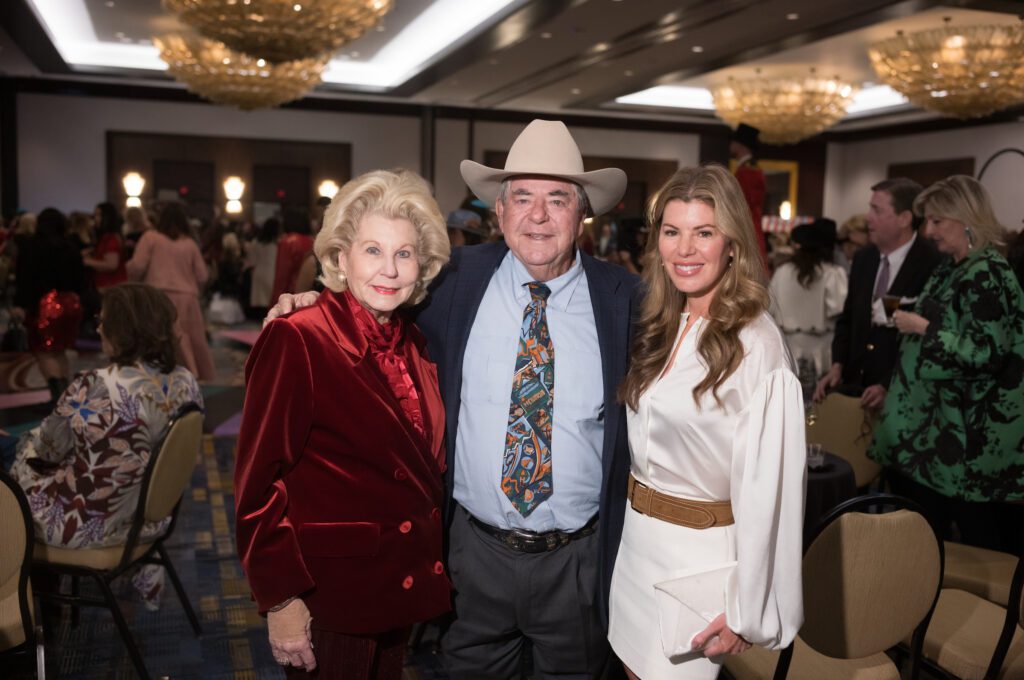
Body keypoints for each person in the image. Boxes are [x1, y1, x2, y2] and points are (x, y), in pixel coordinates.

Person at [270, 119, 638, 677]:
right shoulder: (450, 280)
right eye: (522, 198)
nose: (537, 215)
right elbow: (375, 293)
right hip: (471, 557)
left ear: (583, 213)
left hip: (580, 562)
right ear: (499, 211)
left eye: (557, 199)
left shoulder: (629, 302)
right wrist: (316, 301)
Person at [235, 169, 452, 678]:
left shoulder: (412, 342)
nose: (390, 270)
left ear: (422, 265)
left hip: (397, 583)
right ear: (339, 257)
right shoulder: (301, 337)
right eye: (373, 250)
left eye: (404, 254)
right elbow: (255, 484)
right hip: (327, 596)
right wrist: (281, 597)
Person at [609, 165, 804, 680]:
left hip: (699, 568)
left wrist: (748, 608)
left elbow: (773, 496)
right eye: (672, 232)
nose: (685, 249)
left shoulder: (756, 345)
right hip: (636, 552)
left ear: (733, 244)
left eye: (704, 232)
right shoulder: (665, 321)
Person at [10, 283, 203, 609]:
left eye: (104, 320)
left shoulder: (96, 386)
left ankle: (34, 611)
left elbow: (46, 452)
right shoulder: (185, 382)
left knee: (10, 478)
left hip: (96, 525)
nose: (98, 327)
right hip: (147, 518)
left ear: (124, 329)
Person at [869, 175, 1024, 550]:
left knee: (981, 541)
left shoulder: (987, 271)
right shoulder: (953, 265)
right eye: (927, 221)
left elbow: (988, 351)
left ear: (967, 219)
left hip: (971, 436)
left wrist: (921, 326)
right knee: (933, 534)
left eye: (938, 221)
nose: (929, 230)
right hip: (938, 430)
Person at [813, 178, 942, 410]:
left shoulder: (932, 263)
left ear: (904, 218)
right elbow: (848, 318)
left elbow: (928, 339)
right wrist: (837, 365)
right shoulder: (865, 258)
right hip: (854, 390)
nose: (868, 218)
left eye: (877, 210)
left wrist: (887, 384)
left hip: (903, 399)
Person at [126, 203, 215, 381]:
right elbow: (203, 275)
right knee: (188, 341)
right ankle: (190, 376)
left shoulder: (150, 237)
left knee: (155, 340)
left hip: (156, 297)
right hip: (187, 300)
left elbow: (137, 266)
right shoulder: (190, 244)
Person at [12, 208, 85, 405]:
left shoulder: (31, 246)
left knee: (44, 351)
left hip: (45, 305)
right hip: (70, 304)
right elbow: (81, 279)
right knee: (60, 351)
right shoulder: (71, 246)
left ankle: (57, 395)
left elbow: (25, 280)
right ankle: (66, 394)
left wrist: (20, 305)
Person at [769, 218, 848, 388]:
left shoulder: (782, 272)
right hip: (821, 350)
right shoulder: (832, 273)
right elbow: (841, 312)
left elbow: (769, 308)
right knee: (818, 408)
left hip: (788, 347)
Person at [729, 123, 768, 270]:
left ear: (740, 144)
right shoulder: (746, 168)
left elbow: (747, 205)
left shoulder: (748, 171)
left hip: (747, 229)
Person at [269, 207, 315, 304]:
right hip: (309, 292)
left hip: (291, 294)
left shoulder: (288, 241)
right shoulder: (313, 241)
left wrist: (274, 303)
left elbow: (282, 276)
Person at [245, 217, 279, 316]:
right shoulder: (277, 243)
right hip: (272, 272)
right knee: (271, 302)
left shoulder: (255, 242)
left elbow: (252, 261)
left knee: (261, 302)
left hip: (258, 272)